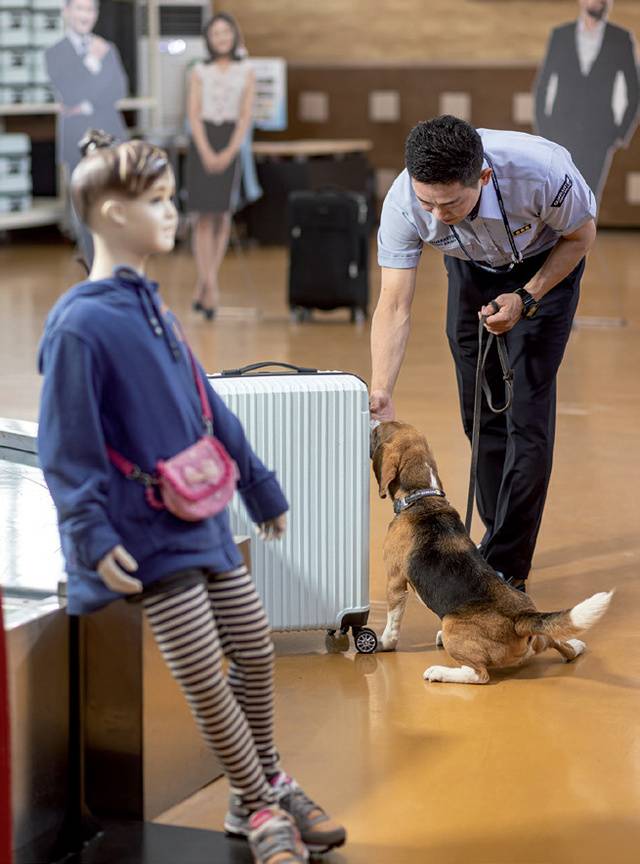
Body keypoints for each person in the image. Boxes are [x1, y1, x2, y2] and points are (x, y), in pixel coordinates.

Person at [37, 131, 346, 864]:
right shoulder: (79, 325)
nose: (173, 212)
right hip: (144, 531)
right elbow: (66, 447)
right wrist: (90, 534)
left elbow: (209, 407)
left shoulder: (157, 311)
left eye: (171, 198)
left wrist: (259, 486)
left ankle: (255, 790)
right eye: (157, 200)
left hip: (200, 514)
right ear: (113, 214)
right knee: (205, 676)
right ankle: (264, 803)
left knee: (254, 652)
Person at [370, 115, 597, 592]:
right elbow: (393, 304)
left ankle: (506, 567)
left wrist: (528, 297)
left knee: (526, 417)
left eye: (450, 203)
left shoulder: (541, 171)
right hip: (470, 266)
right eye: (427, 202)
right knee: (479, 414)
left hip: (544, 265)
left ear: (484, 177)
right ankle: (495, 539)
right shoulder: (402, 203)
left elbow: (580, 236)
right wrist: (382, 389)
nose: (436, 215)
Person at [45, 0, 128, 268]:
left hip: (110, 136)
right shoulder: (55, 53)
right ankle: (94, 268)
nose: (85, 15)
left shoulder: (108, 48)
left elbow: (118, 89)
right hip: (76, 140)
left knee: (114, 202)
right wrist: (92, 62)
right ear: (66, 11)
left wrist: (86, 104)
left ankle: (117, 267)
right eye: (79, 8)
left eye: (90, 9)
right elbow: (70, 92)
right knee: (86, 207)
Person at [534, 0, 640, 204]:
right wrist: (544, 129)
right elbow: (543, 85)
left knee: (589, 198)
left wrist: (620, 132)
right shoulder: (560, 35)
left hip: (600, 133)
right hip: (560, 130)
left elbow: (634, 91)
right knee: (558, 195)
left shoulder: (621, 38)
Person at [186, 12, 255, 320]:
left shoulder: (247, 70)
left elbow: (245, 116)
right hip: (203, 140)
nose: (221, 38)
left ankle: (206, 284)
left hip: (230, 141)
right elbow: (193, 114)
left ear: (234, 35)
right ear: (209, 39)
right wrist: (205, 150)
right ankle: (209, 285)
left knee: (222, 215)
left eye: (226, 32)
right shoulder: (199, 70)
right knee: (202, 217)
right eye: (216, 33)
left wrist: (229, 152)